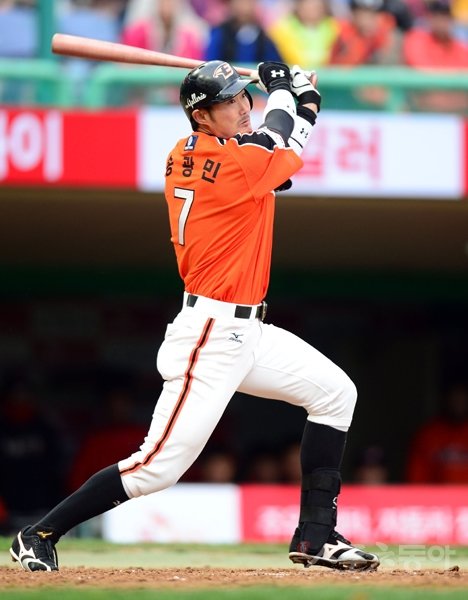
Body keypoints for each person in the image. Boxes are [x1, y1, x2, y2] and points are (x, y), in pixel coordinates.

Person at [9, 59, 379, 573]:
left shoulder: (206, 153)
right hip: (210, 334)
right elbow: (277, 140)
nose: (242, 106)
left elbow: (280, 150)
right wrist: (284, 91)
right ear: (201, 116)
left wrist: (303, 101)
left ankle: (317, 535)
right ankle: (38, 534)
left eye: (244, 96)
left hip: (247, 330)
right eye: (228, 101)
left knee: (336, 394)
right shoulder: (229, 161)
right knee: (155, 468)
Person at [406, 381, 468, 483]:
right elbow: (416, 479)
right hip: (438, 493)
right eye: (455, 396)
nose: (459, 402)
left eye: (463, 397)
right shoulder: (428, 435)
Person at [204, 0, 282, 64]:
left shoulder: (262, 36)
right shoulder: (221, 33)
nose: (244, 7)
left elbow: (274, 63)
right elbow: (211, 63)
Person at [268, 0, 340, 68]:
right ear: (298, 6)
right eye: (308, 6)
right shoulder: (282, 29)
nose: (312, 11)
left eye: (316, 7)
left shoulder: (335, 27)